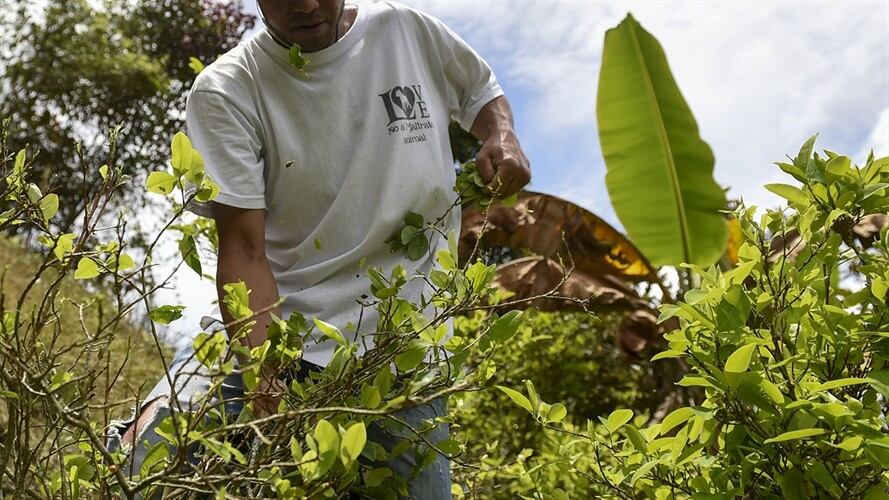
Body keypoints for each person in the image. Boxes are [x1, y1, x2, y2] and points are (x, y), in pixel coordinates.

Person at [107, 0, 530, 497]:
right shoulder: (228, 89)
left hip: (405, 357)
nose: (303, 6)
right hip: (278, 332)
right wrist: (265, 383)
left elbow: (481, 92)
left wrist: (502, 134)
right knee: (143, 469)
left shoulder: (405, 31)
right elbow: (244, 252)